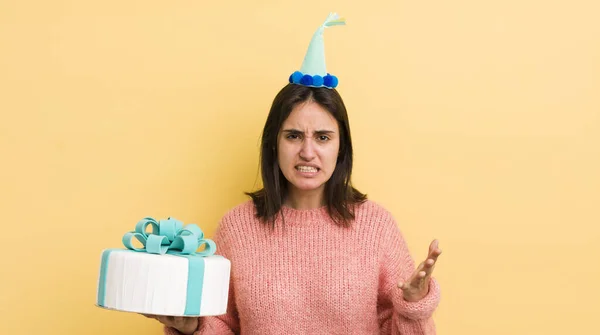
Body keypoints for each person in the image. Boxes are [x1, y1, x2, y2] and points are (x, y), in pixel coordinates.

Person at [145, 13, 442, 335]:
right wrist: (192, 327)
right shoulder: (236, 228)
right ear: (274, 143)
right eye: (293, 136)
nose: (308, 152)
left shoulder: (376, 226)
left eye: (323, 137)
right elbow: (223, 324)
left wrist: (413, 305)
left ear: (342, 148)